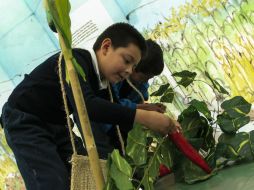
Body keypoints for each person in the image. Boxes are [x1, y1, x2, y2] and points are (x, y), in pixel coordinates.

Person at [1, 23, 181, 190]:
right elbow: (88, 107)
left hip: (58, 125)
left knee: (86, 171)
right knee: (52, 182)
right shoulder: (75, 60)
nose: (129, 71)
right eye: (127, 61)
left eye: (133, 66)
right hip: (25, 121)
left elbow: (114, 113)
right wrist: (144, 117)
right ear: (106, 47)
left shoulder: (104, 84)